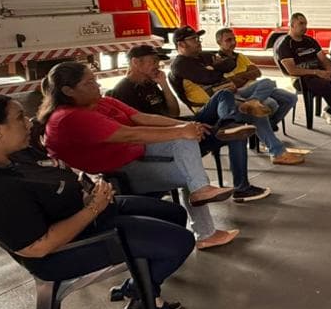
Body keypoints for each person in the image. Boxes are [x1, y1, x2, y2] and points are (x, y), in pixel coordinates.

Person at [0, 95, 194, 309]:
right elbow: (38, 247)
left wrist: (89, 190)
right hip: (66, 249)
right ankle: (139, 291)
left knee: (174, 214)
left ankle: (144, 281)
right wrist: (93, 208)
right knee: (181, 242)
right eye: (19, 118)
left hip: (81, 212)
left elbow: (56, 174)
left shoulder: (16, 155)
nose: (29, 122)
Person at [40, 62, 239, 250]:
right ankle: (205, 229)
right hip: (115, 175)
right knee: (189, 171)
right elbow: (129, 133)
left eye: (94, 79)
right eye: (89, 83)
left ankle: (201, 190)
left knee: (187, 144)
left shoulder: (101, 102)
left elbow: (144, 118)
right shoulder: (69, 117)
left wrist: (183, 127)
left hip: (133, 153)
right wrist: (181, 131)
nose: (97, 85)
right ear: (68, 91)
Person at [110, 45, 273, 201]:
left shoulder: (150, 84)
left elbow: (174, 112)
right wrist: (184, 127)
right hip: (166, 139)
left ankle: (228, 123)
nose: (157, 65)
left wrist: (164, 85)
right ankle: (242, 188)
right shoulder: (123, 91)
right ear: (136, 62)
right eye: (152, 61)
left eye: (157, 61)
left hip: (177, 125)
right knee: (237, 136)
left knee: (224, 95)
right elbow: (142, 127)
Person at [168, 27, 304, 166]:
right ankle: (277, 152)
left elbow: (229, 63)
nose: (198, 42)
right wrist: (215, 69)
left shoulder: (201, 57)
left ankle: (253, 102)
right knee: (258, 113)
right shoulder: (180, 64)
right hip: (212, 106)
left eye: (198, 38)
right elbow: (209, 77)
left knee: (267, 83)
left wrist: (215, 68)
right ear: (181, 44)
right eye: (193, 39)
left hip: (231, 92)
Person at [276, 12, 331, 131]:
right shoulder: (285, 45)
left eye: (306, 24)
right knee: (324, 85)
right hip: (302, 78)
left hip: (320, 72)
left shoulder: (310, 41)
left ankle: (328, 111)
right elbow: (292, 70)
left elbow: (323, 58)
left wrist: (328, 71)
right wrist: (317, 72)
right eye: (301, 23)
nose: (304, 27)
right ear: (291, 25)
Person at [214, 28, 298, 125]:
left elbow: (257, 72)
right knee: (271, 103)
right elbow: (231, 82)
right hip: (241, 92)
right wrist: (247, 75)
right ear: (219, 42)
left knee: (291, 98)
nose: (233, 42)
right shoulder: (217, 60)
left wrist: (241, 76)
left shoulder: (240, 56)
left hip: (258, 88)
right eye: (228, 40)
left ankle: (270, 124)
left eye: (234, 39)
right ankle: (258, 117)